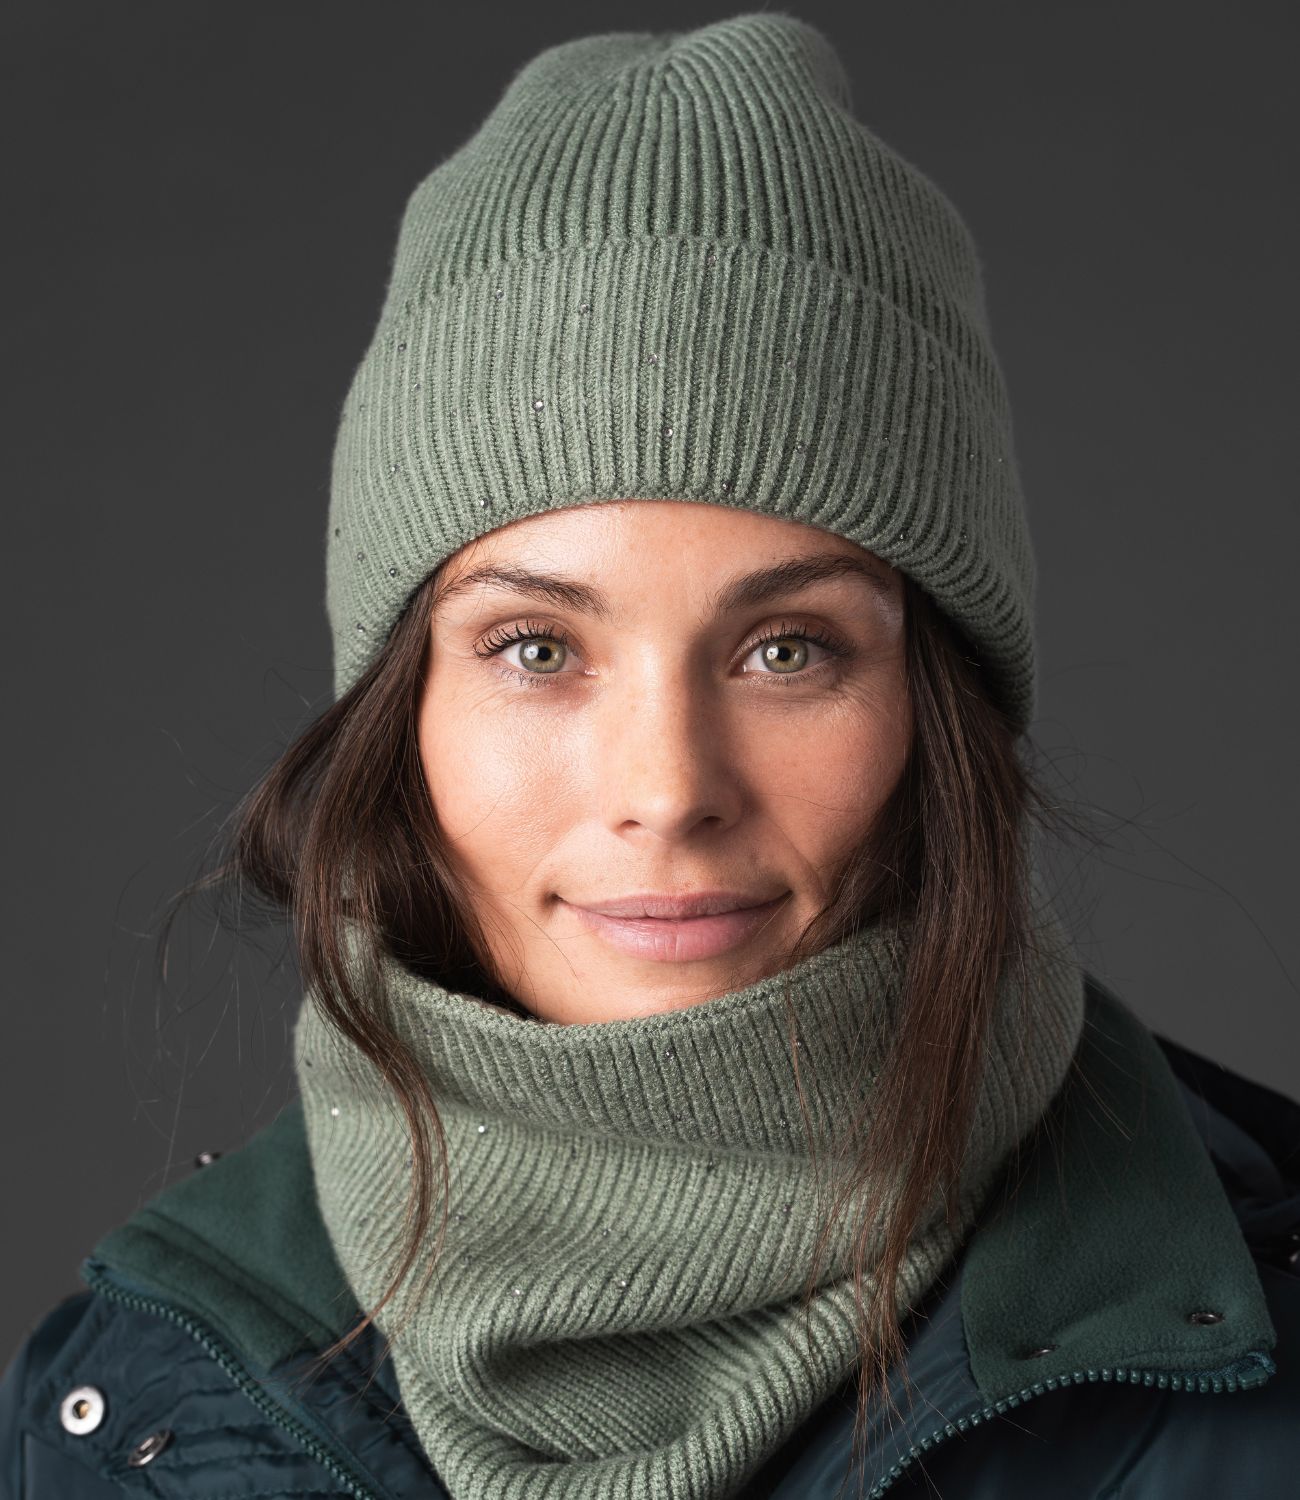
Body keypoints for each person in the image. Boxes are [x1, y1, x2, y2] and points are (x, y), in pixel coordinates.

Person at [2, 12, 1296, 1499]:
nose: (670, 789)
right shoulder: (137, 1405)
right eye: (537, 649)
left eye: (787, 650)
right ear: (401, 713)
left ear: (938, 702)